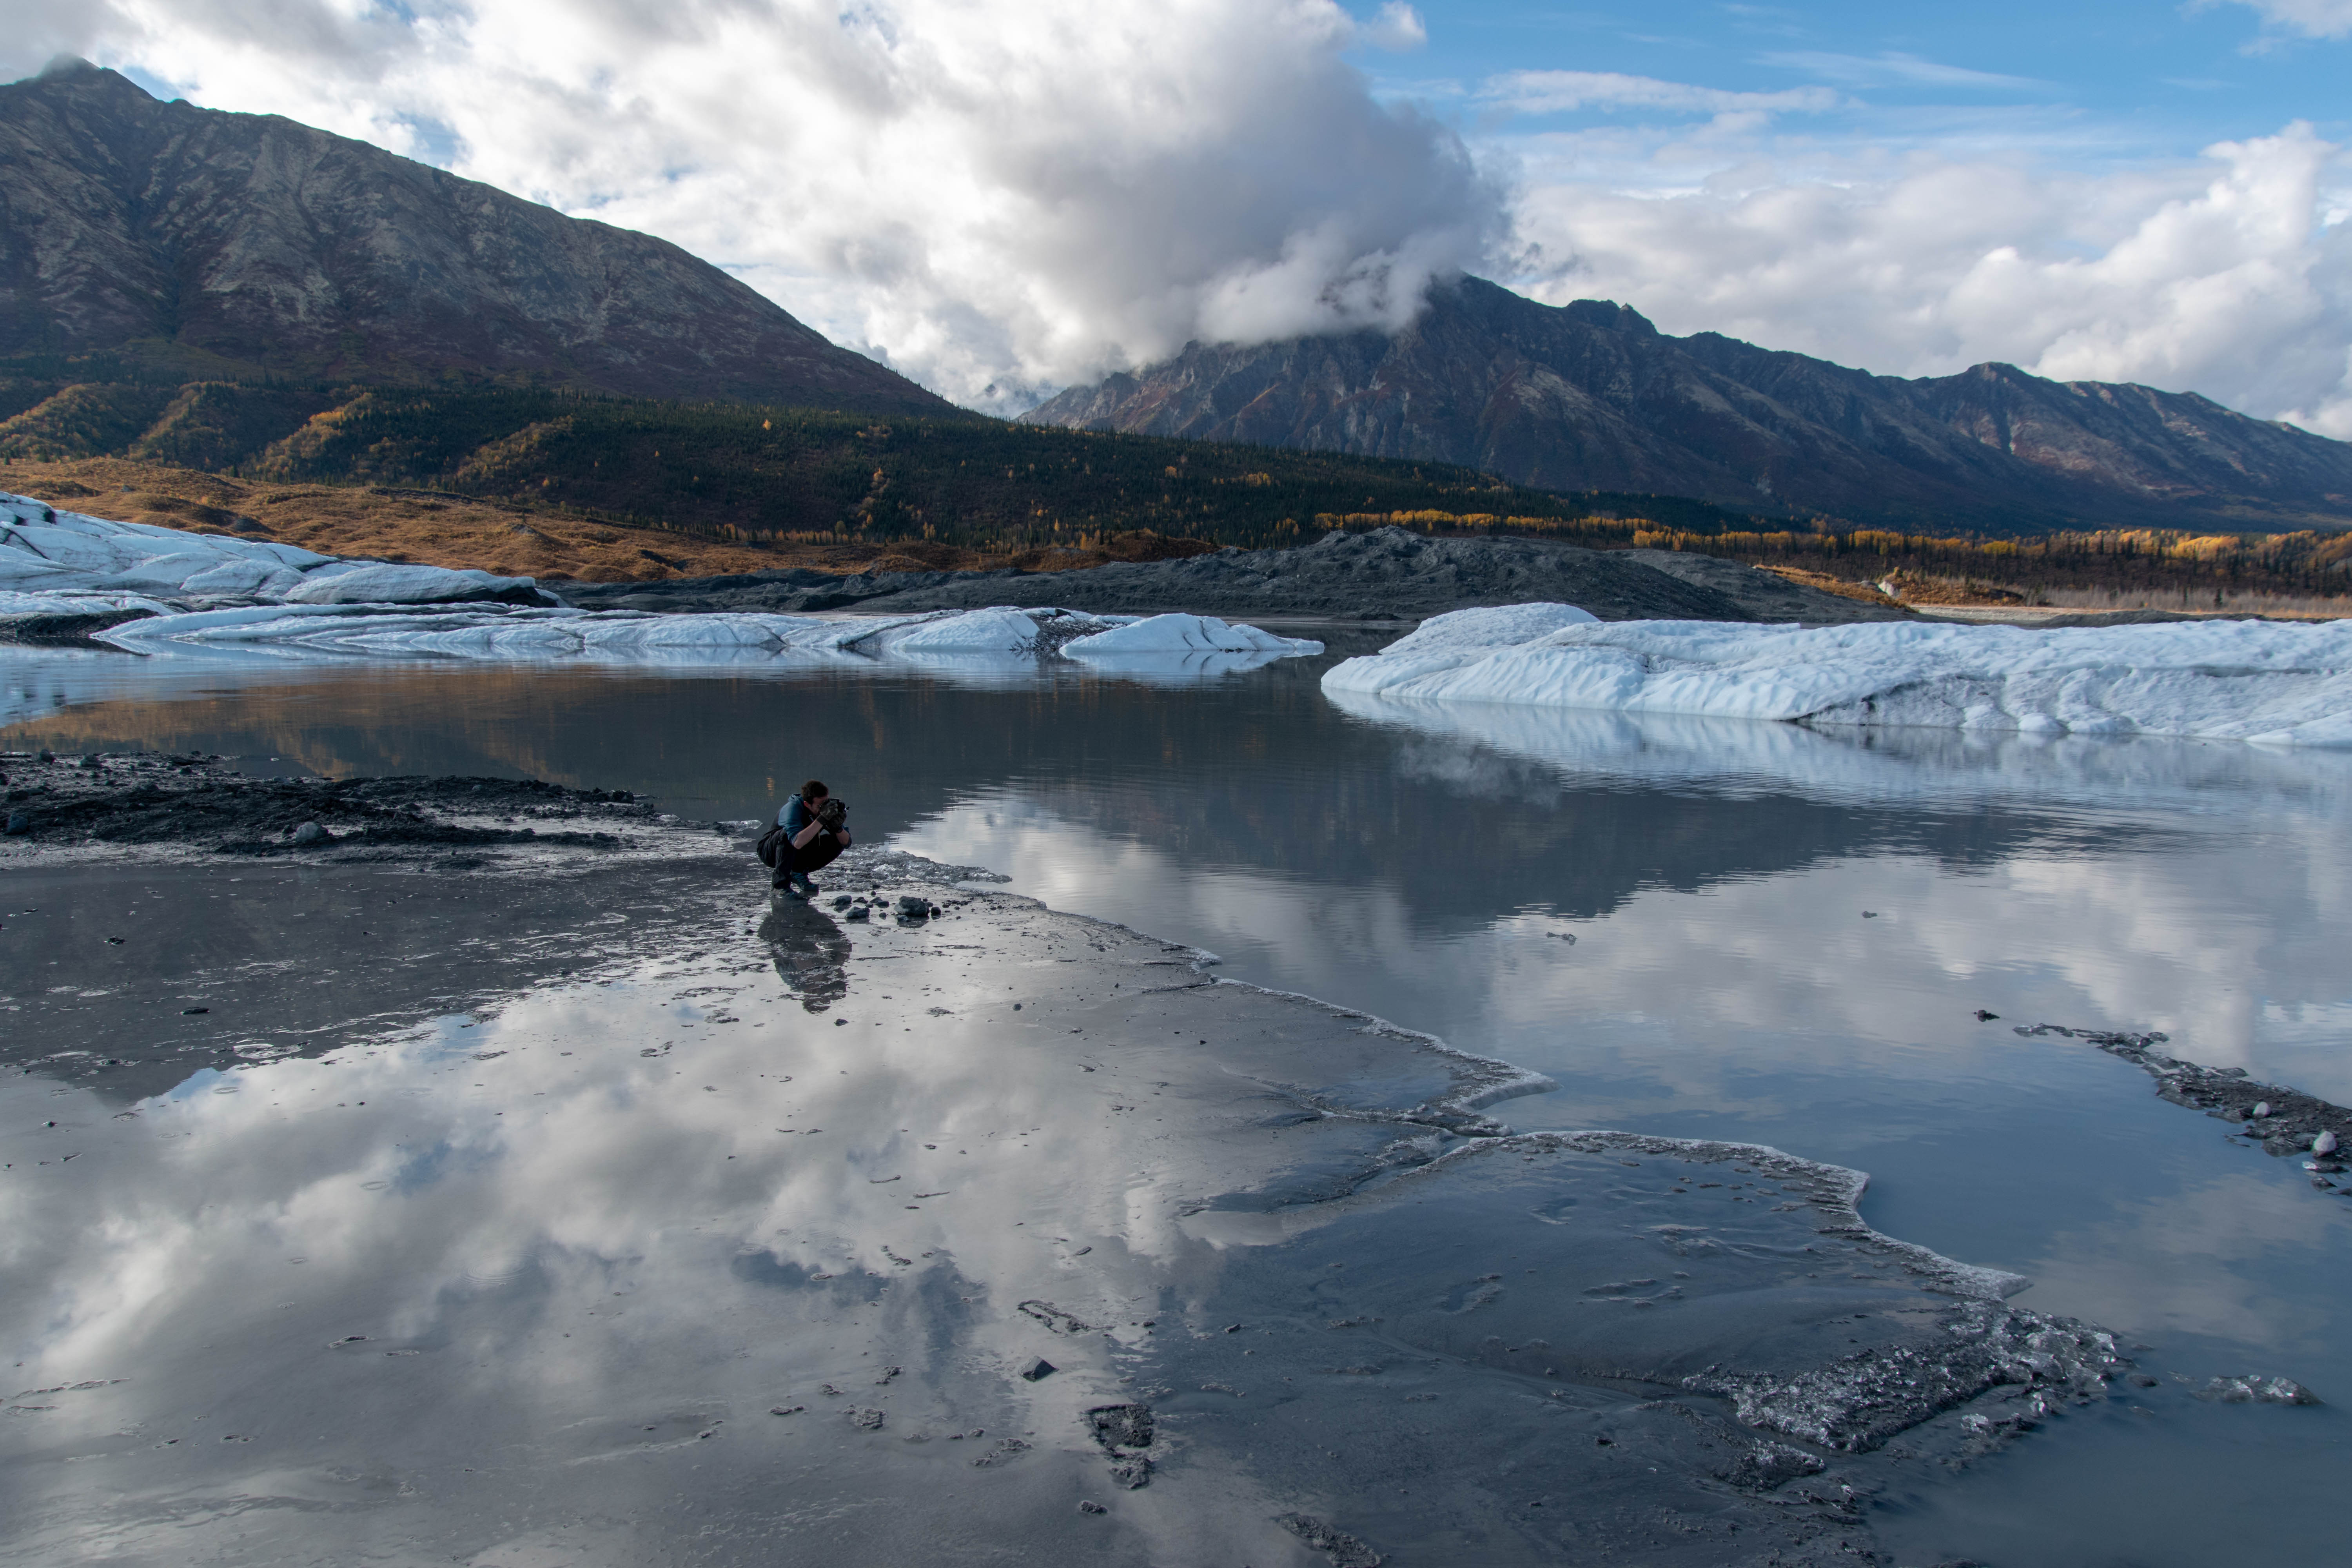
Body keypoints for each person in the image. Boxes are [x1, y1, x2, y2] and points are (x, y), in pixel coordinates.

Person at [773, 779, 851, 898]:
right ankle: (780, 886)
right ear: (807, 804)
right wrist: (822, 818)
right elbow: (797, 842)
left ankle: (799, 873)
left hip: (799, 851)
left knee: (837, 839)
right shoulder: (793, 809)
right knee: (786, 835)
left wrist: (838, 827)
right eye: (820, 806)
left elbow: (846, 842)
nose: (824, 809)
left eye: (826, 803)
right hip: (773, 851)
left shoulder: (827, 811)